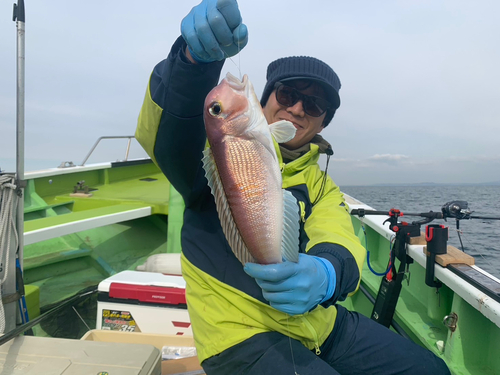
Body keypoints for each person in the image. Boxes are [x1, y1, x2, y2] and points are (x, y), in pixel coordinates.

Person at [135, 1, 451, 374]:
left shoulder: (322, 186)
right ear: (265, 98)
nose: (298, 108)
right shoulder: (209, 156)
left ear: (322, 123)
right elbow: (169, 136)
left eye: (315, 104)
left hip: (321, 325)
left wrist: (327, 273)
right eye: (287, 94)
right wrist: (192, 64)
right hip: (238, 334)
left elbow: (339, 237)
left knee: (430, 369)